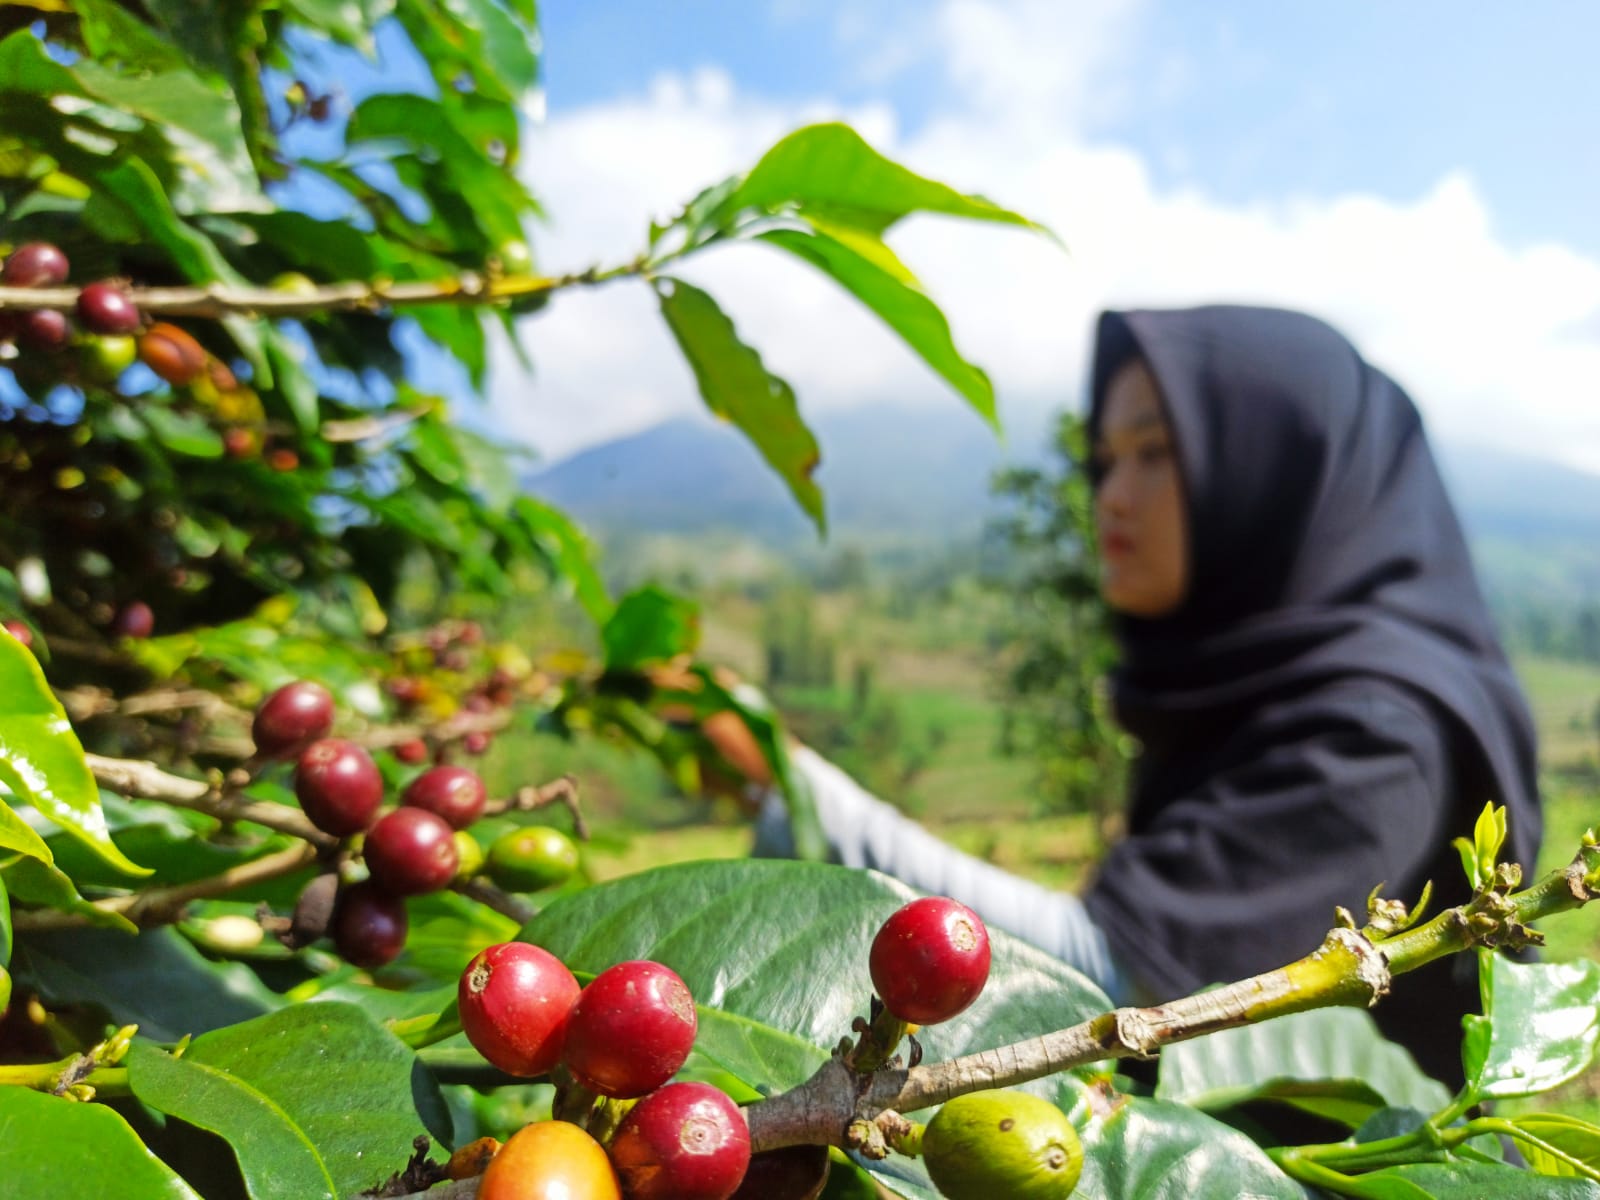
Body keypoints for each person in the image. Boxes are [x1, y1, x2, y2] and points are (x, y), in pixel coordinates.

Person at [754, 304, 1542, 1087]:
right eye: (1107, 459)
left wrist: (795, 798)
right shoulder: (1260, 679)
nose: (1112, 496)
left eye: (1156, 453)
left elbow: (1114, 984)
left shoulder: (1373, 734)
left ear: (1272, 471)